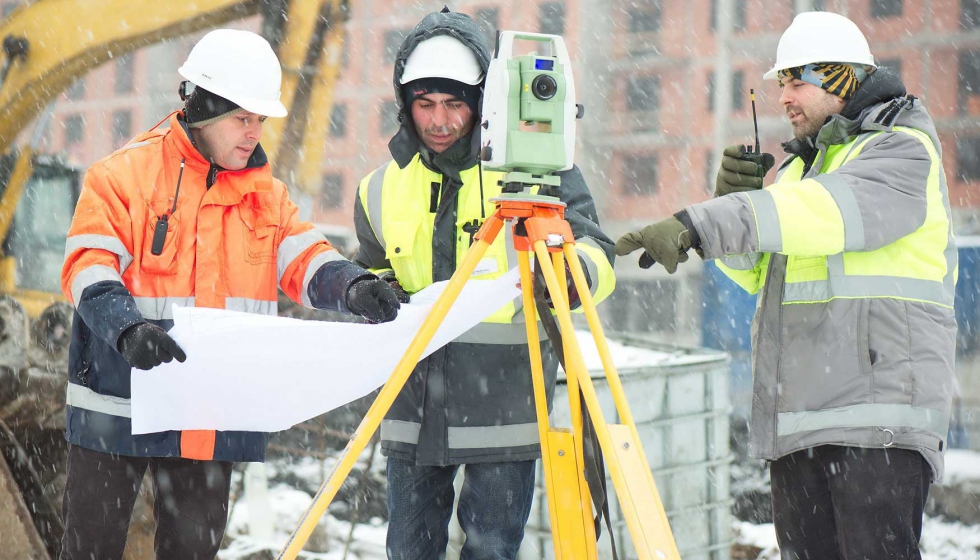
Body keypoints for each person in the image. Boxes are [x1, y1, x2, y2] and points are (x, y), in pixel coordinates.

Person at [616, 11, 955, 560]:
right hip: (802, 423)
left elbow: (826, 214)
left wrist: (708, 220)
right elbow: (758, 273)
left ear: (842, 77)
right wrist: (727, 220)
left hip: (878, 423)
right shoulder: (803, 170)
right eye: (781, 84)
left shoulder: (900, 149)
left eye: (797, 81)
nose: (784, 97)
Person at [59, 29, 400, 560]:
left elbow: (305, 257)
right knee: (89, 551)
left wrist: (353, 286)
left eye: (259, 120)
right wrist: (127, 328)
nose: (253, 133)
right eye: (243, 118)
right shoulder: (121, 176)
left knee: (193, 553)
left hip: (207, 407)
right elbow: (88, 266)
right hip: (117, 400)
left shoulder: (266, 194)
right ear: (202, 109)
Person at [352, 8, 616, 559]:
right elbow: (374, 266)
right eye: (425, 104)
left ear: (483, 101)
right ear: (405, 105)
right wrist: (370, 292)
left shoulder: (538, 170)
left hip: (507, 402)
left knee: (492, 550)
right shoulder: (377, 188)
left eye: (454, 104)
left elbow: (597, 251)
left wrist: (572, 277)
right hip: (411, 402)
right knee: (407, 550)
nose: (440, 120)